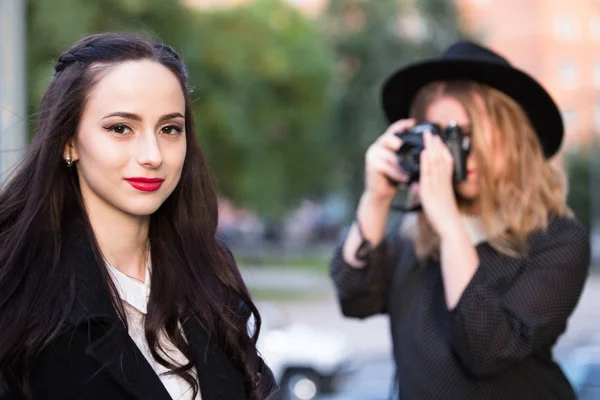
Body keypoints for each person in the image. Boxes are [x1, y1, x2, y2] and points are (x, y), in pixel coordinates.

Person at [0, 32, 277, 400]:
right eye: (120, 128)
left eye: (169, 129)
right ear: (68, 141)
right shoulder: (17, 287)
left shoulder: (209, 270)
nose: (153, 155)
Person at [330, 40, 591, 399]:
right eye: (440, 135)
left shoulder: (557, 239)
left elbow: (487, 349)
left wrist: (452, 229)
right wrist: (376, 199)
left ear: (513, 137)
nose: (456, 152)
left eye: (466, 134)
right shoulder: (414, 237)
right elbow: (354, 298)